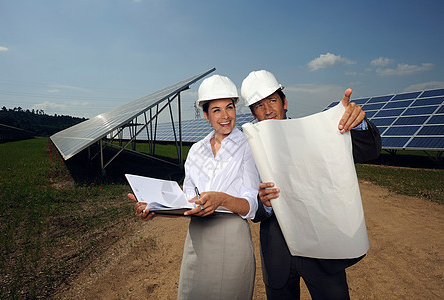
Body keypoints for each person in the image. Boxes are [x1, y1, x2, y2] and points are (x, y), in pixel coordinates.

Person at [240, 70, 382, 300]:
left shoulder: (315, 133)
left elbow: (370, 150)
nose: (267, 110)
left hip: (323, 252)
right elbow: (252, 208)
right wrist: (263, 203)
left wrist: (357, 122)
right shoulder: (250, 149)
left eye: (272, 101)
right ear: (253, 113)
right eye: (258, 105)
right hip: (278, 257)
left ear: (284, 102)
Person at [130, 74, 260, 299]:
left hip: (231, 238)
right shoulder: (197, 150)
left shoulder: (248, 145)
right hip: (197, 240)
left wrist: (222, 200)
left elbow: (252, 203)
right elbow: (187, 203)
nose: (225, 115)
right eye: (216, 110)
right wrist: (155, 209)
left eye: (229, 107)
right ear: (205, 114)